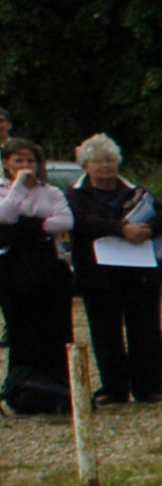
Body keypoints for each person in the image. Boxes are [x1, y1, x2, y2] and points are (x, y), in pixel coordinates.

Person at [65, 134, 162, 405]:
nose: (106, 166)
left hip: (140, 272)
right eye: (99, 160)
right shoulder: (74, 194)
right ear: (85, 164)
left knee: (146, 330)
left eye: (111, 160)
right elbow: (80, 222)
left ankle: (149, 387)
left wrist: (147, 229)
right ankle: (114, 387)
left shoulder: (136, 190)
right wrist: (120, 229)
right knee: (105, 332)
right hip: (99, 274)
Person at [0, 137, 74, 413]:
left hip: (48, 264)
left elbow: (65, 220)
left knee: (54, 328)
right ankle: (22, 388)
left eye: (30, 160)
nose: (25, 165)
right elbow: (4, 216)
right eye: (18, 160)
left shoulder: (51, 191)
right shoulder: (4, 189)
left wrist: (33, 225)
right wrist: (19, 186)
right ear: (7, 163)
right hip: (13, 268)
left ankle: (58, 388)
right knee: (22, 330)